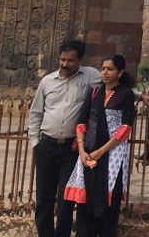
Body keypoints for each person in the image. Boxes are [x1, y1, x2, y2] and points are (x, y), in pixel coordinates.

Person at [28, 39, 101, 237]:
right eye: (62, 59)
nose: (65, 64)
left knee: (65, 200)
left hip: (71, 148)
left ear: (79, 61)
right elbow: (35, 113)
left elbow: (113, 85)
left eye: (70, 60)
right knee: (44, 197)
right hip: (47, 144)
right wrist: (35, 142)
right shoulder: (48, 81)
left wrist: (139, 96)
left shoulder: (89, 77)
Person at [65, 55, 136, 237]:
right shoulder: (95, 92)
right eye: (103, 68)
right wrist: (82, 151)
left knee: (107, 203)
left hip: (112, 154)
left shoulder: (125, 94)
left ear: (119, 73)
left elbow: (125, 128)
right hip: (88, 153)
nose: (105, 72)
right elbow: (82, 122)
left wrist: (101, 151)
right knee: (86, 202)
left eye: (110, 69)